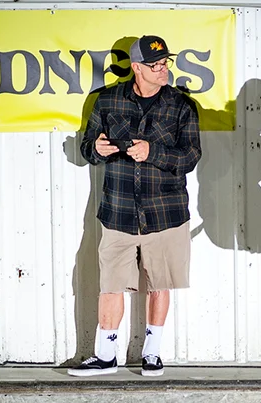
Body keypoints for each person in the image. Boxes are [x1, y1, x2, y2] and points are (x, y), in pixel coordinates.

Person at [69, 35, 201, 377]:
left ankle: (152, 353)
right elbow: (86, 147)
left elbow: (190, 156)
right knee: (110, 284)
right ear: (137, 67)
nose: (164, 71)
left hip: (167, 212)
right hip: (118, 211)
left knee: (160, 283)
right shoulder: (108, 101)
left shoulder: (181, 105)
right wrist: (97, 149)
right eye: (155, 65)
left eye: (165, 63)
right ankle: (105, 355)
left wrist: (152, 153)